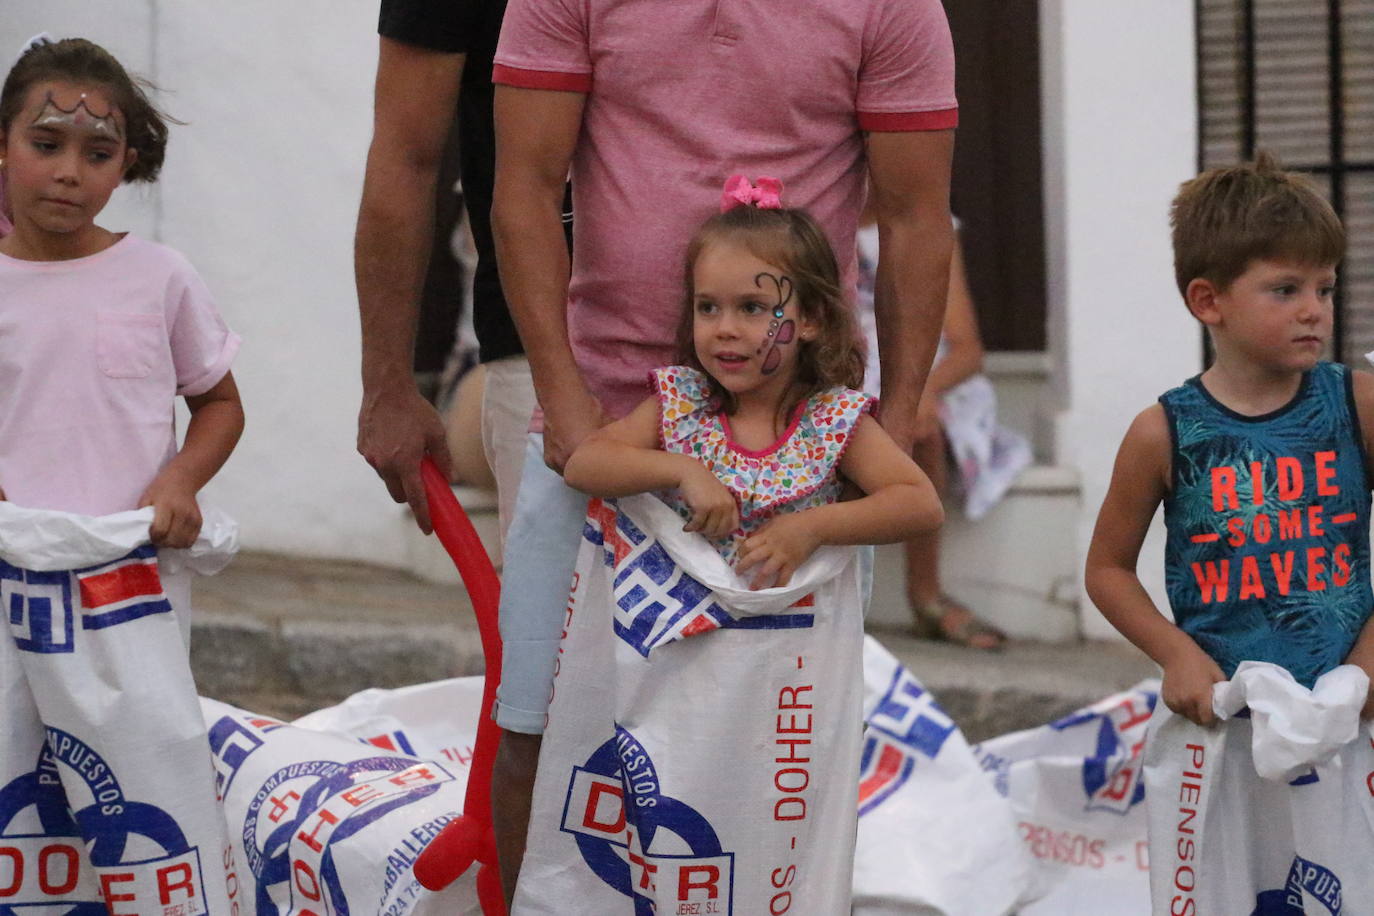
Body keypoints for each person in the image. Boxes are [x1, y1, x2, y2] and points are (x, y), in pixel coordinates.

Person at [489, 0, 958, 899]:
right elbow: (523, 187)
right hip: (610, 419)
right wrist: (565, 401)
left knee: (783, 746)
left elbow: (915, 213)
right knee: (538, 731)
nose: (728, 328)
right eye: (718, 314)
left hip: (804, 450)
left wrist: (885, 427)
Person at [0, 36, 242, 906]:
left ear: (126, 165)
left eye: (96, 153)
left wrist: (179, 482)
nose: (69, 171)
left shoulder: (160, 277)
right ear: (1, 147)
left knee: (141, 774)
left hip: (128, 587)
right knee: (13, 775)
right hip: (9, 584)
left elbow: (218, 403)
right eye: (46, 143)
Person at [1085, 152, 1374, 735]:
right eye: (1285, 290)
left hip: (1352, 717)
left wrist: (1368, 666)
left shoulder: (1358, 404)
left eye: (1325, 288)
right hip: (1224, 726)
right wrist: (1176, 655)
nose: (1313, 310)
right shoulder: (1163, 432)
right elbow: (1108, 569)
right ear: (1208, 301)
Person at [566, 184, 942, 583]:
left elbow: (920, 505)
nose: (725, 329)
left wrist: (814, 527)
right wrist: (681, 471)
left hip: (794, 638)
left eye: (752, 308)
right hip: (683, 636)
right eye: (707, 307)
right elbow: (584, 464)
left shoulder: (830, 421)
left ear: (811, 319)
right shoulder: (683, 404)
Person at [356, 0, 540, 542]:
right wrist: (390, 384)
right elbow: (406, 158)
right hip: (533, 346)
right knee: (560, 621)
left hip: (739, 325)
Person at [857, 216, 1032, 648]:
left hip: (927, 376)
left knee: (918, 427)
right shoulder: (817, 216)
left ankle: (926, 596)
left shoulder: (925, 229)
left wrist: (920, 391)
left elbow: (968, 349)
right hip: (847, 368)